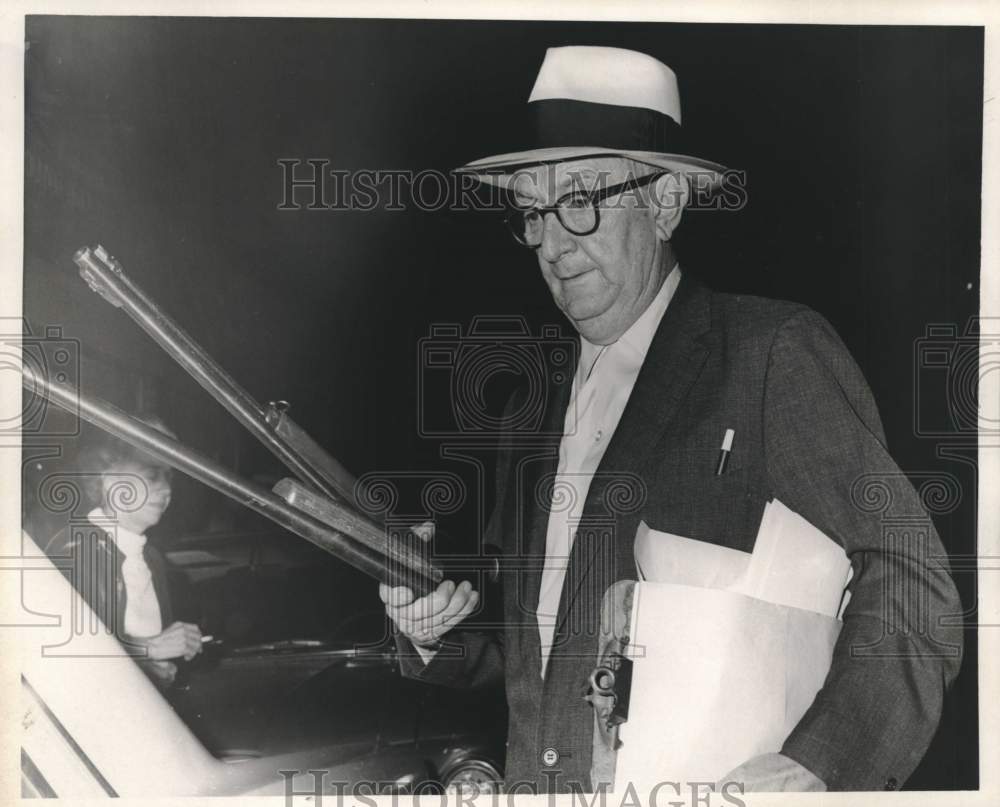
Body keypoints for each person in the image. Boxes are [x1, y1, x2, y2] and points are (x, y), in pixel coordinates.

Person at [379, 46, 962, 792]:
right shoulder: (528, 408)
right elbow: (531, 653)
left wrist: (823, 762)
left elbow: (916, 582)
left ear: (664, 203)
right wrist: (433, 626)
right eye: (530, 210)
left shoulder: (766, 354)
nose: (552, 244)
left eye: (581, 200)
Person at [44, 415, 203, 689]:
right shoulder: (74, 551)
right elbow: (61, 658)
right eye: (152, 475)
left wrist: (167, 657)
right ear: (110, 481)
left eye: (169, 476)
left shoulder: (150, 557)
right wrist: (148, 652)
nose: (166, 489)